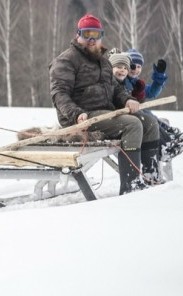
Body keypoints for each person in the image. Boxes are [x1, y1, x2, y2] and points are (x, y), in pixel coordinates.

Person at [49, 13, 161, 195]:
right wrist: (76, 114)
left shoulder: (104, 61)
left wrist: (128, 99)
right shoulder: (66, 61)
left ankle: (151, 177)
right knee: (132, 125)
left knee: (149, 123)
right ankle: (131, 187)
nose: (92, 40)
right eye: (87, 34)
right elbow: (59, 94)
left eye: (96, 34)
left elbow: (116, 89)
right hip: (81, 118)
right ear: (78, 35)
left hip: (104, 113)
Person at [123, 48, 183, 161]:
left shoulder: (137, 83)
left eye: (139, 67)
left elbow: (152, 92)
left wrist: (159, 77)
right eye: (132, 66)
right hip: (129, 116)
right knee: (148, 117)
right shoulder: (123, 81)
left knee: (150, 115)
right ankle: (168, 142)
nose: (135, 70)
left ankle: (173, 137)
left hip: (138, 113)